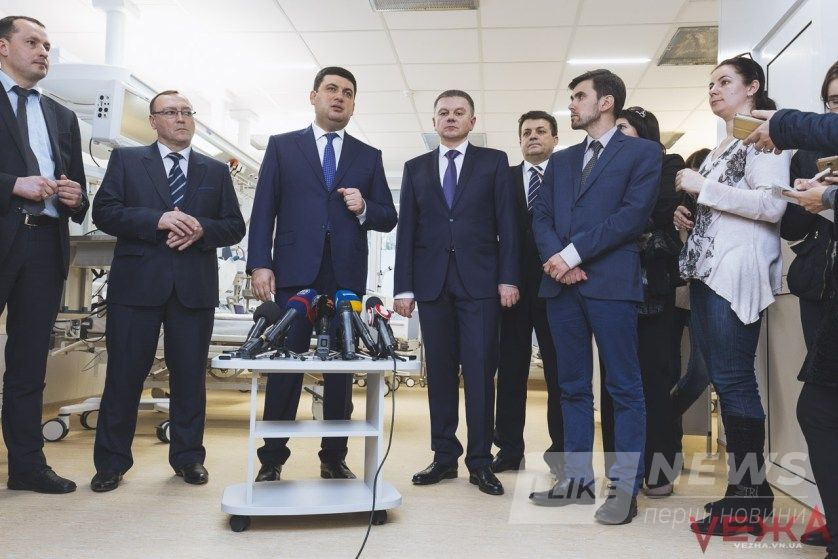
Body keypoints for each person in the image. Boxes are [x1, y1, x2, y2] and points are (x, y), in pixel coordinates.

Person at [247, 67, 397, 482]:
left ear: (353, 104)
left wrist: (365, 207)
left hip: (345, 274)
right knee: (285, 366)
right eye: (331, 89)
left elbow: (388, 216)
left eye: (348, 92)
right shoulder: (282, 147)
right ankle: (271, 459)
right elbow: (264, 209)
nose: (339, 97)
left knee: (342, 368)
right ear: (313, 96)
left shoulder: (368, 156)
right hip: (294, 273)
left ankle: (334, 456)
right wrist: (260, 263)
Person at [90, 90, 245, 491]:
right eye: (171, 112)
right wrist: (157, 219)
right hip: (135, 287)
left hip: (193, 289)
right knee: (124, 377)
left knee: (190, 378)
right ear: (153, 121)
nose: (181, 118)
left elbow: (234, 225)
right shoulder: (126, 161)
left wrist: (202, 229)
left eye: (186, 112)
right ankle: (111, 463)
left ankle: (189, 459)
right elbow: (104, 212)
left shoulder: (215, 171)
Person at [529, 69, 661, 525]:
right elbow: (541, 215)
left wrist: (572, 254)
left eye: (579, 96)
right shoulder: (562, 160)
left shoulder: (643, 153)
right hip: (561, 287)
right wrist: (557, 260)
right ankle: (577, 481)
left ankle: (625, 490)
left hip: (611, 285)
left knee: (624, 388)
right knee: (570, 387)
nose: (571, 104)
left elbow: (631, 216)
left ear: (606, 102)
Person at [675, 55, 790, 536]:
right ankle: (750, 493)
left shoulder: (765, 136)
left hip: (734, 276)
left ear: (753, 87)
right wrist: (689, 217)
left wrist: (702, 187)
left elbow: (771, 205)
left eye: (724, 81)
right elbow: (723, 209)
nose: (714, 90)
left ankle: (748, 498)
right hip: (707, 274)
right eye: (710, 84)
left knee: (736, 382)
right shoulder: (726, 143)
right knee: (727, 382)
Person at [394, 89, 520, 496]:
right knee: (441, 373)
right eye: (444, 113)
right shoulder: (415, 168)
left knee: (480, 372)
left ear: (472, 121)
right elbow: (407, 232)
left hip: (480, 284)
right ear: (434, 122)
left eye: (459, 112)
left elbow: (508, 225)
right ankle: (444, 456)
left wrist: (509, 278)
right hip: (432, 285)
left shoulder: (494, 162)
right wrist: (403, 287)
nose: (451, 118)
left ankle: (480, 462)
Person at [749, 62, 838, 558]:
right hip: (820, 287)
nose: (834, 112)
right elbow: (791, 228)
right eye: (831, 102)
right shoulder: (813, 151)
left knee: (819, 409)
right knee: (822, 407)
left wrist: (829, 197)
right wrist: (808, 197)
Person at [0, 15, 88, 494]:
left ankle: (27, 467)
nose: (42, 52)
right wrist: (13, 184)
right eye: (32, 42)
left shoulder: (61, 116)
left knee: (30, 361)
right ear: (3, 47)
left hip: (45, 245)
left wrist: (75, 197)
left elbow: (77, 191)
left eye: (48, 46)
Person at [598, 106, 684, 498]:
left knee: (654, 381)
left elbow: (660, 211)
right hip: (609, 289)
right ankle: (620, 470)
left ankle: (659, 472)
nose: (615, 134)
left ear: (644, 133)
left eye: (623, 127)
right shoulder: (599, 169)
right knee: (614, 384)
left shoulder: (667, 165)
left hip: (652, 291)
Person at [492, 110, 563, 476]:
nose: (533, 136)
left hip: (559, 287)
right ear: (519, 141)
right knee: (511, 371)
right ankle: (508, 449)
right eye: (526, 132)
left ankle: (561, 450)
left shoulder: (568, 176)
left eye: (541, 131)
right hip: (512, 289)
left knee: (560, 373)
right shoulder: (502, 178)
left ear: (555, 138)